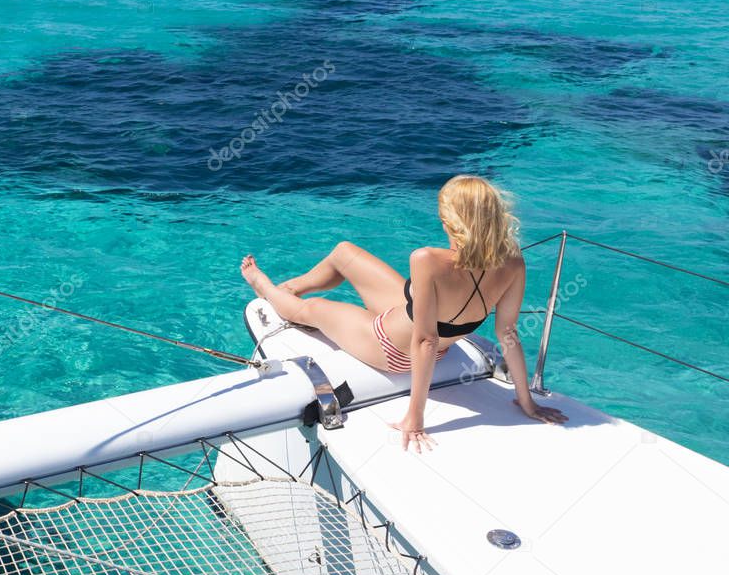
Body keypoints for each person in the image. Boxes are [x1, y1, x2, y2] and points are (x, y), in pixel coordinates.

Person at [240, 175, 568, 453]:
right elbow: (507, 333)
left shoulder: (427, 259)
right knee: (344, 253)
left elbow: (424, 340)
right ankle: (292, 286)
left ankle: (266, 287)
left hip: (390, 348)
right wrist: (526, 401)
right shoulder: (512, 261)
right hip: (408, 320)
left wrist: (416, 416)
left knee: (308, 311)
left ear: (450, 220)